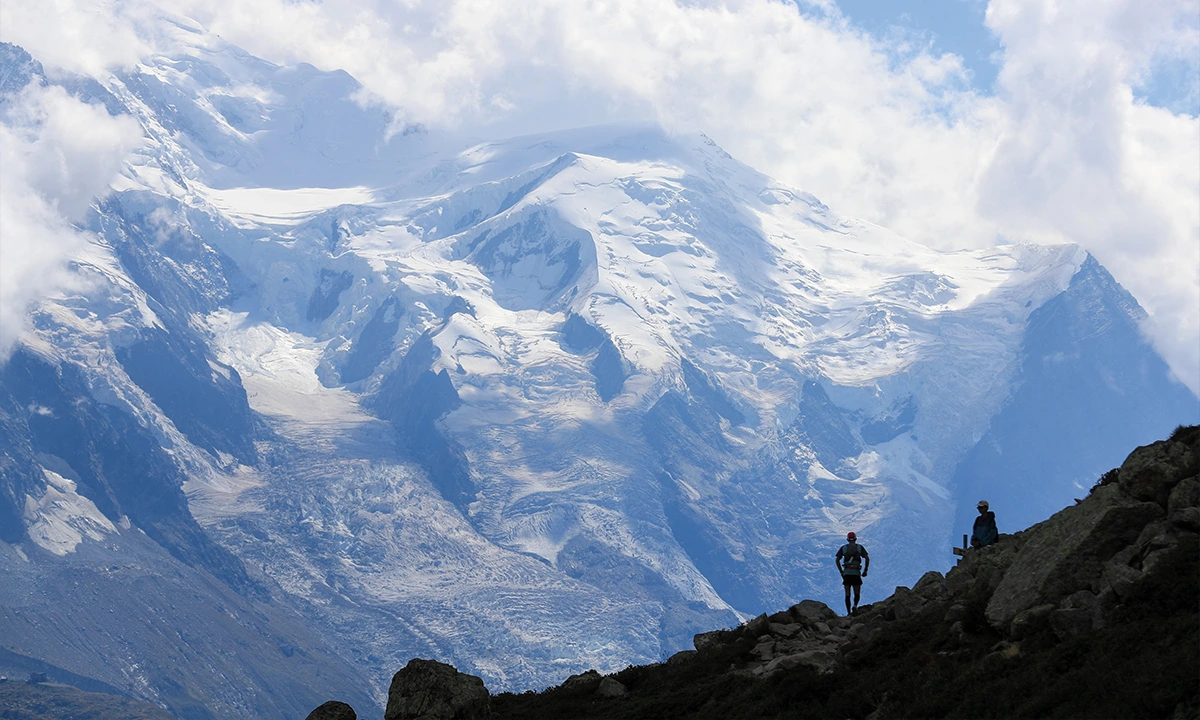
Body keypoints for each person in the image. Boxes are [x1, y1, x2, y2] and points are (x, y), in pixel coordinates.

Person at [835, 532, 870, 615]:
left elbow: (837, 560)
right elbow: (867, 558)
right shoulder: (860, 548)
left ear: (847, 539)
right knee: (857, 592)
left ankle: (848, 612)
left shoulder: (843, 548)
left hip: (846, 573)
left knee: (847, 593)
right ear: (855, 539)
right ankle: (855, 605)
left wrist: (841, 571)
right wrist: (865, 570)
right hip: (856, 573)